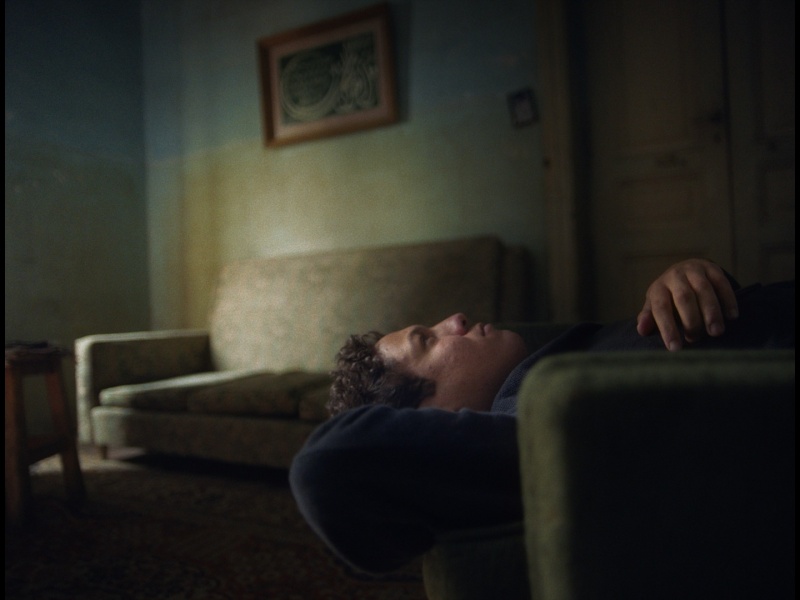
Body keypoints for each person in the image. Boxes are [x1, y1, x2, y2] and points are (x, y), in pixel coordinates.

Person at [289, 259, 794, 573]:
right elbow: (325, 465)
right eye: (428, 339)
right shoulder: (537, 423)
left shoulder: (548, 369)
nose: (455, 320)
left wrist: (692, 286)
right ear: (431, 419)